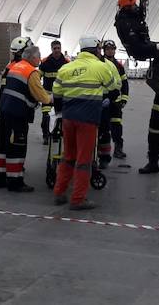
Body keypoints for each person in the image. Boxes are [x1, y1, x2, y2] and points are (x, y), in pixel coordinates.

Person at [52, 35, 120, 210]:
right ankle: (78, 199)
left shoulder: (66, 68)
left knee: (68, 156)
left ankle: (59, 192)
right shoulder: (101, 67)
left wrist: (60, 113)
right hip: (88, 120)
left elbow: (57, 94)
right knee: (84, 160)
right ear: (96, 49)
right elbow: (114, 89)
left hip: (68, 118)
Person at [0, 39, 50, 192]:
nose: (40, 59)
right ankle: (15, 180)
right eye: (38, 57)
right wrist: (54, 98)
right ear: (32, 57)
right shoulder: (31, 71)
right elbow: (41, 96)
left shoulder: (15, 67)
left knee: (3, 145)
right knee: (17, 147)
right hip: (17, 114)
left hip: (4, 110)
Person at [114, 0, 159, 94]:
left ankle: (154, 77)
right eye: (133, 5)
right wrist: (157, 47)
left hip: (144, 44)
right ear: (126, 7)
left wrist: (143, 4)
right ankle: (153, 79)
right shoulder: (125, 24)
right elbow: (137, 47)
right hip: (139, 50)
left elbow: (140, 16)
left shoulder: (131, 15)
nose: (135, 7)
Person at [39, 40, 70, 144]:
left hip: (61, 95)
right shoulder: (44, 62)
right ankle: (45, 135)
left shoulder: (66, 63)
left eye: (58, 48)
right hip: (47, 94)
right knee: (46, 116)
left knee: (59, 116)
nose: (57, 50)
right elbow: (38, 77)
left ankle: (56, 135)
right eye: (54, 48)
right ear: (51, 49)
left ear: (60, 48)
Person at [102, 40, 129, 160]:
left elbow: (124, 83)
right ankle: (102, 152)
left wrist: (124, 98)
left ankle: (118, 149)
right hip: (104, 101)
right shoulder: (100, 64)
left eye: (112, 49)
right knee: (103, 127)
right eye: (107, 49)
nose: (110, 51)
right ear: (104, 50)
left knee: (117, 126)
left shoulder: (119, 66)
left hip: (116, 102)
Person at [96, 49, 122, 169]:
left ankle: (104, 158)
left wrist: (110, 99)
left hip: (103, 103)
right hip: (88, 103)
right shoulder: (85, 64)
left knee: (104, 132)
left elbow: (117, 85)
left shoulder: (109, 65)